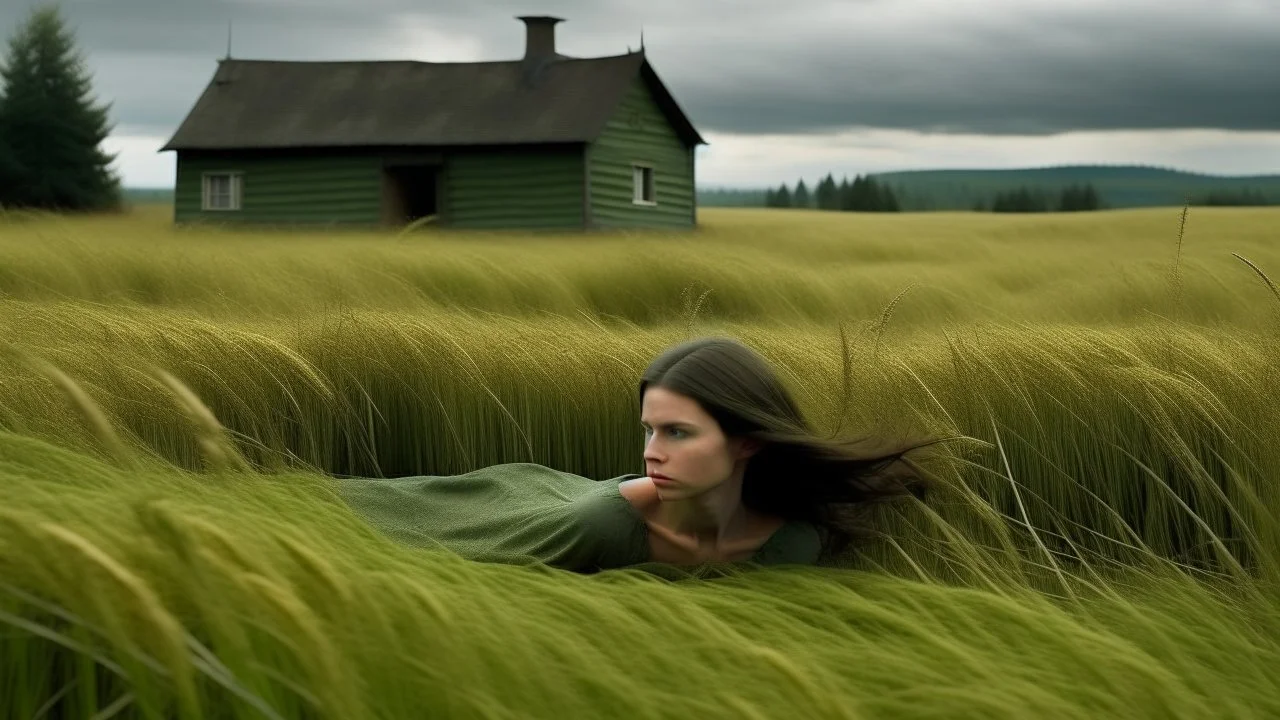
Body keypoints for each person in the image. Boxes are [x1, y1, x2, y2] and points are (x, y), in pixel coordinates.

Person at [332, 336, 936, 573]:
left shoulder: (788, 548)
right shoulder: (600, 530)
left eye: (677, 433)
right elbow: (451, 562)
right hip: (529, 505)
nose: (651, 453)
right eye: (649, 431)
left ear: (747, 440)